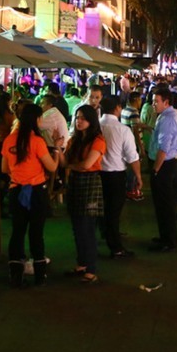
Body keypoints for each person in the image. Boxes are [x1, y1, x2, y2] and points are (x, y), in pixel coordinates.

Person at [1, 103, 62, 287]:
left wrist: (18, 175)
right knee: (36, 233)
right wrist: (57, 150)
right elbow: (51, 167)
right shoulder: (37, 141)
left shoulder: (9, 140)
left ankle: (15, 274)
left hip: (16, 191)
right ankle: (39, 275)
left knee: (17, 232)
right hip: (36, 192)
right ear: (36, 120)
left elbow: (4, 168)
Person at [64, 104, 106, 283]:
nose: (79, 121)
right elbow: (63, 161)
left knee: (86, 227)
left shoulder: (98, 140)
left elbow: (87, 164)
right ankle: (82, 263)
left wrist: (70, 166)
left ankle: (91, 268)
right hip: (75, 182)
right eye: (77, 118)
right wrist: (58, 148)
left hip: (89, 182)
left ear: (91, 120)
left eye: (83, 118)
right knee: (77, 226)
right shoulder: (74, 140)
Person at [98, 95, 142, 258]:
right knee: (113, 211)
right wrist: (138, 176)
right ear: (117, 108)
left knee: (101, 208)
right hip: (115, 175)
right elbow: (132, 157)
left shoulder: (96, 126)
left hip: (96, 173)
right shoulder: (123, 130)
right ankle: (116, 247)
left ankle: (105, 233)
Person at [148, 87, 177, 252]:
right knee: (164, 203)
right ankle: (165, 236)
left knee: (164, 204)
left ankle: (168, 240)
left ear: (166, 102)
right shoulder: (172, 115)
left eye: (156, 101)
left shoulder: (168, 119)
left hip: (164, 165)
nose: (153, 104)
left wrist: (155, 170)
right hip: (169, 163)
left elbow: (164, 148)